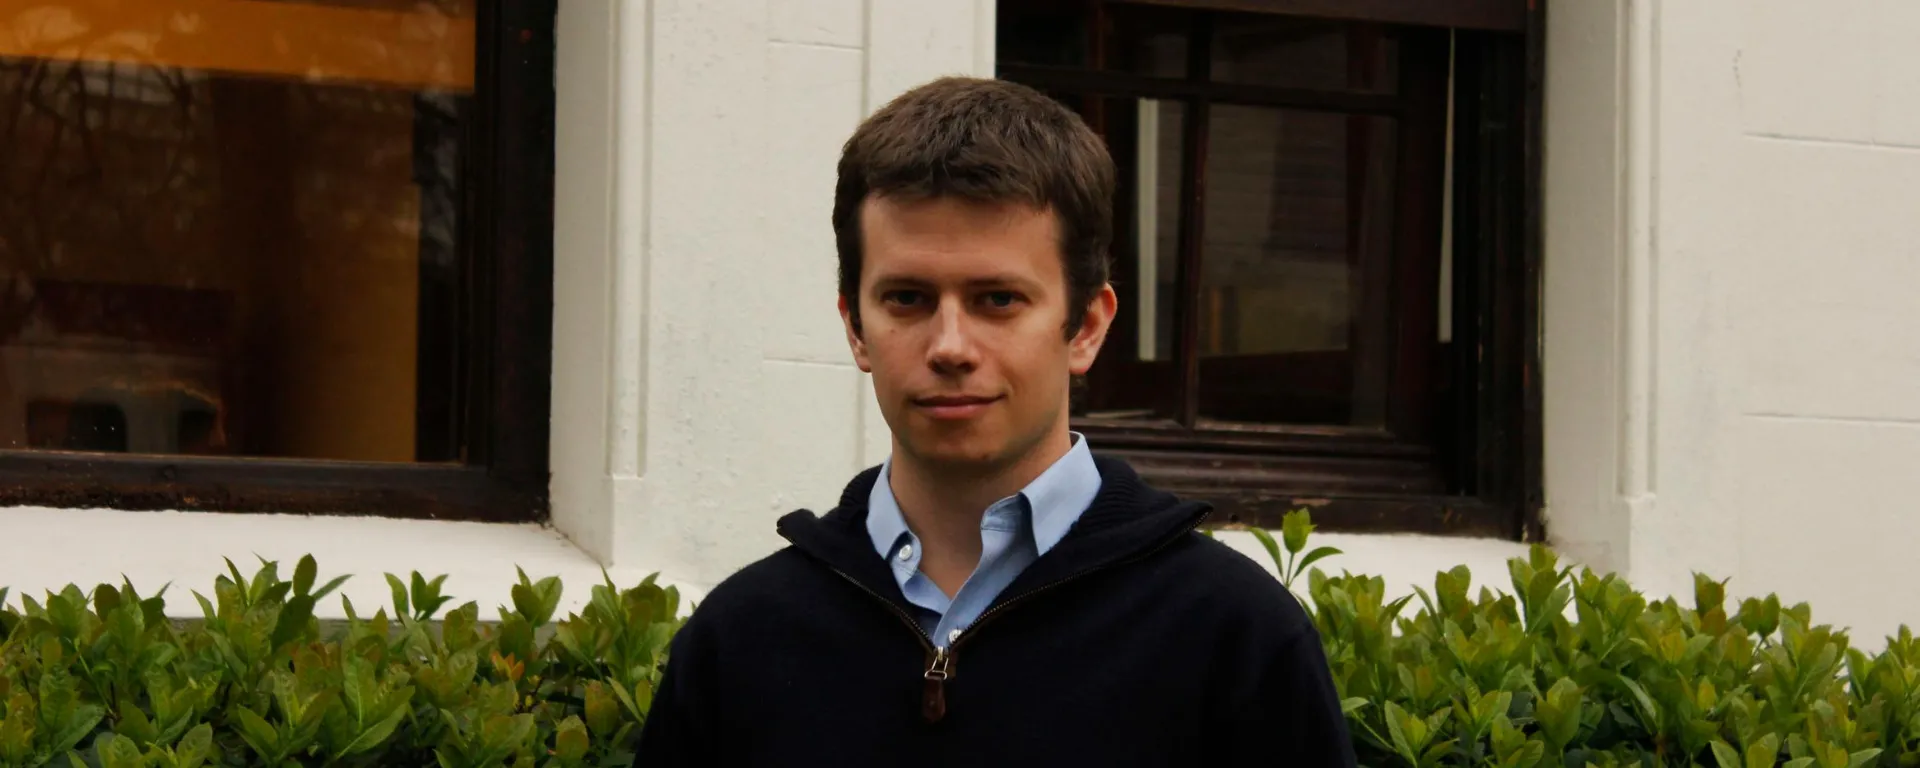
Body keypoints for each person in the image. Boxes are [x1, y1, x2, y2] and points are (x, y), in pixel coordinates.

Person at [634, 76, 1356, 767]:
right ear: (856, 326)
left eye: (998, 300)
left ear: (1086, 327)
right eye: (908, 298)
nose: (950, 346)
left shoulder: (1233, 635)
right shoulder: (742, 638)